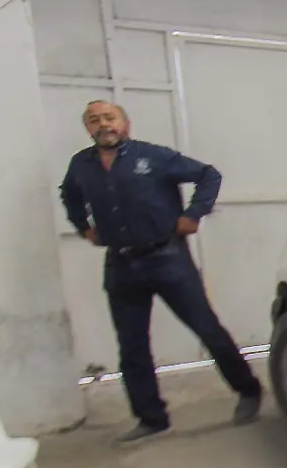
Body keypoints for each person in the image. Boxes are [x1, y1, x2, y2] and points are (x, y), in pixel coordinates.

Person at [58, 99, 263, 444]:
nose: (103, 124)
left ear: (125, 123)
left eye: (110, 117)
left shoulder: (153, 156)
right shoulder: (81, 165)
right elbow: (70, 195)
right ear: (88, 128)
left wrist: (193, 214)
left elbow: (208, 175)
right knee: (132, 347)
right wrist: (82, 227)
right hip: (121, 264)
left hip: (167, 259)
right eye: (94, 120)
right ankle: (151, 419)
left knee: (207, 329)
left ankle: (248, 389)